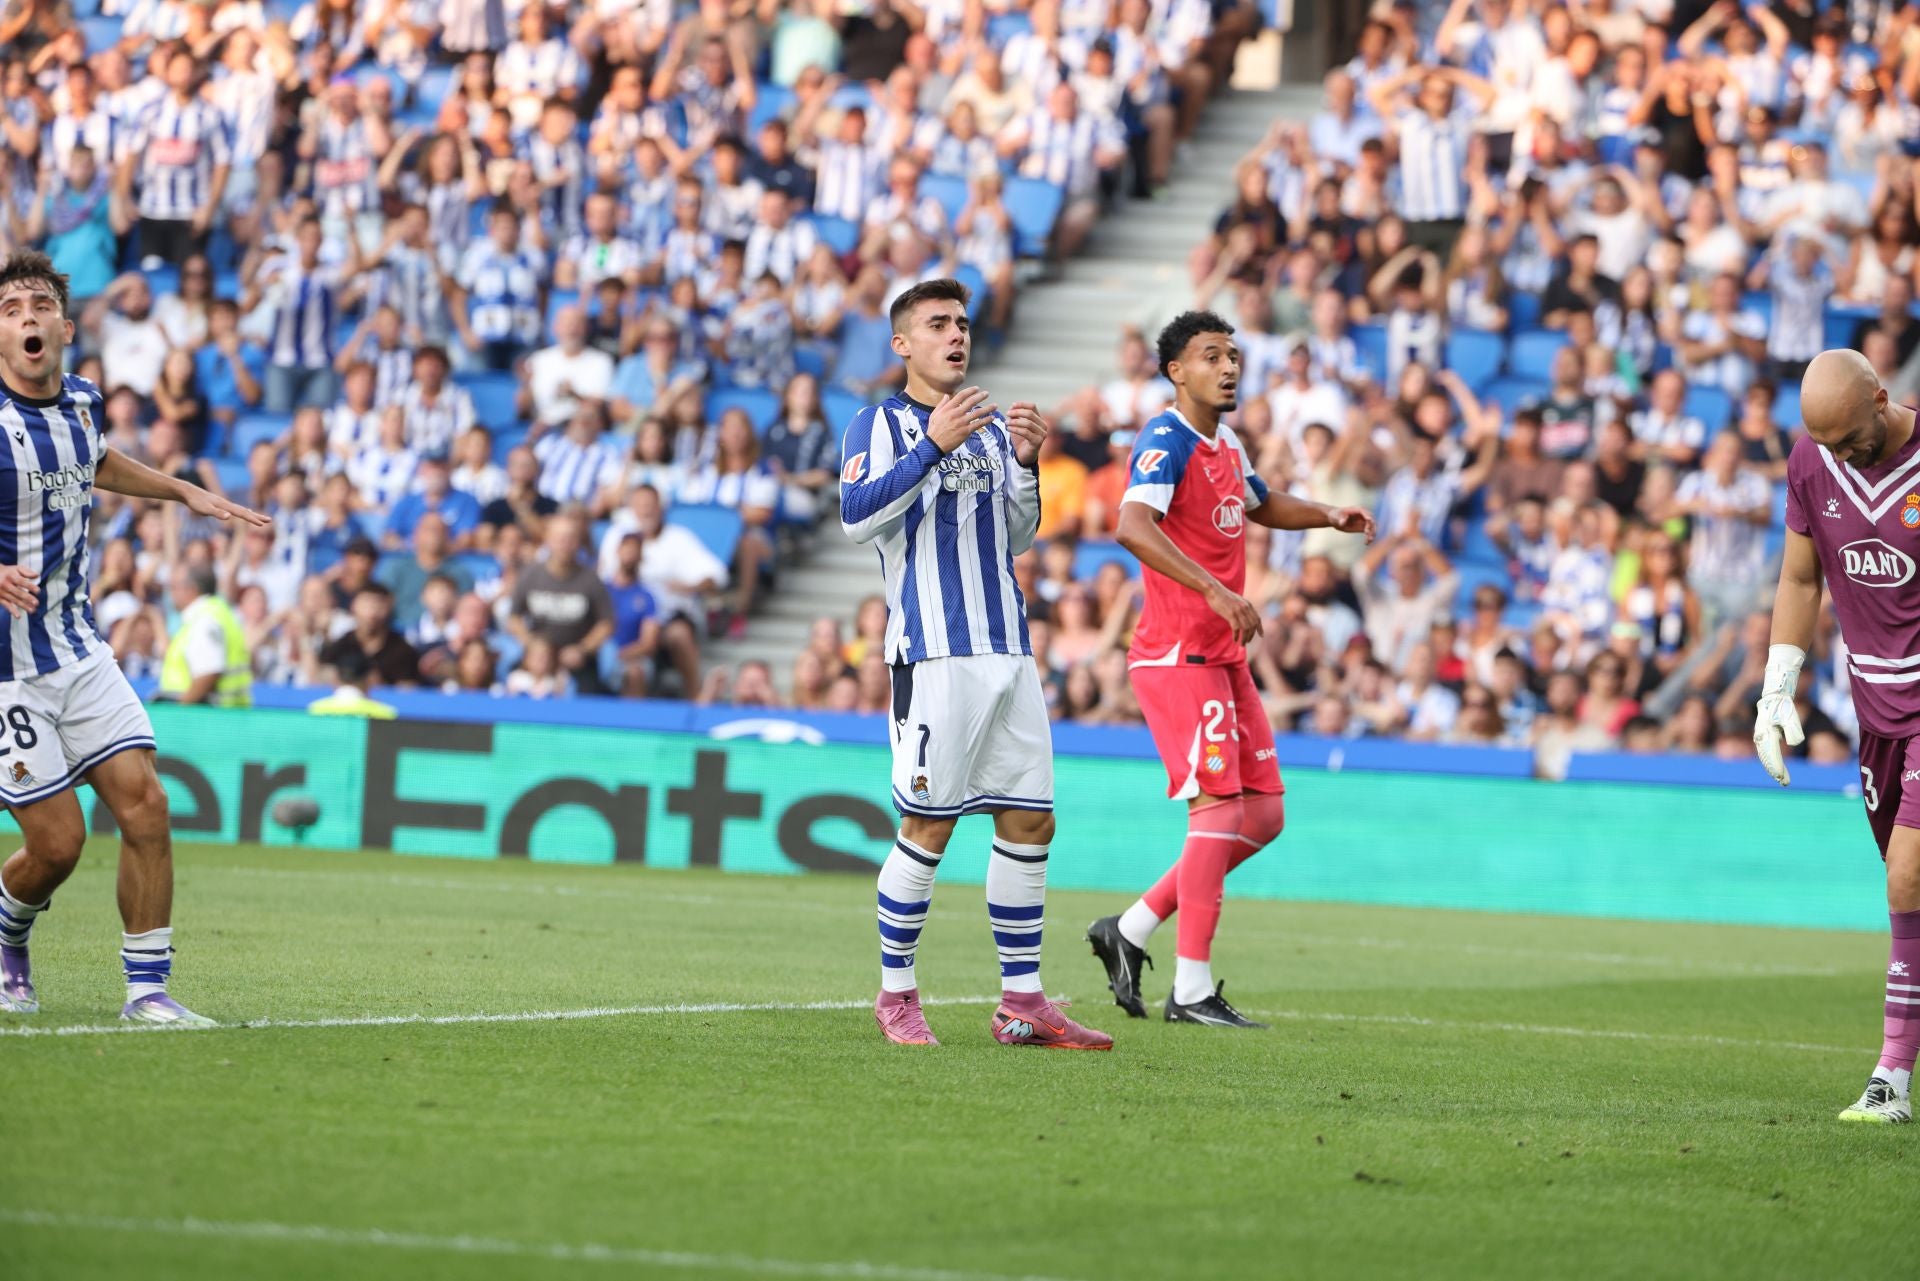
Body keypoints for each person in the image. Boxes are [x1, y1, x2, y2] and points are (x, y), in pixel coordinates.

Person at [0, 251, 269, 1028]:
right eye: (11, 309)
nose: (26, 317)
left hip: (77, 647)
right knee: (59, 844)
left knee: (147, 805)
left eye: (39, 305)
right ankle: (8, 935)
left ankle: (147, 991)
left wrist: (182, 491)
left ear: (65, 327)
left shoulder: (83, 403)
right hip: (7, 670)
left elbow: (96, 461)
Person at [839, 277, 1109, 1051]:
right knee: (928, 824)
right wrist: (932, 445)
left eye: (961, 322)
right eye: (938, 324)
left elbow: (1017, 534)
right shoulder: (878, 423)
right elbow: (857, 517)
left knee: (1029, 818)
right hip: (934, 652)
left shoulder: (989, 428)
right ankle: (896, 994)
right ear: (902, 344)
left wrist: (1025, 460)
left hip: (1008, 649)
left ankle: (1022, 1002)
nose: (957, 334)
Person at [1086, 310, 1373, 1027]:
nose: (1228, 367)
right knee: (1216, 809)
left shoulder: (1227, 442)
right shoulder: (1164, 440)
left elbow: (1261, 503)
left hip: (1223, 653)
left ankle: (1131, 927)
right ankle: (1190, 989)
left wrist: (1327, 515)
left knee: (1264, 814)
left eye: (1233, 355)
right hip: (1179, 654)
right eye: (1211, 355)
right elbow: (1131, 525)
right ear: (1176, 371)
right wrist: (1215, 590)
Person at [1760, 348, 1920, 1124]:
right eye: (1825, 443)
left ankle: (1892, 1076)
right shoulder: (1812, 463)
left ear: (1881, 399)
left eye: (1850, 438)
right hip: (1874, 711)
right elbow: (1800, 579)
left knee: (1906, 877)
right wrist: (1776, 688)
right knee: (1905, 877)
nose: (1840, 456)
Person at [156, 563, 252, 707]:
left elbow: (208, 673)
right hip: (222, 715)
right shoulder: (216, 612)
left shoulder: (204, 621)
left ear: (191, 590)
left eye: (174, 586)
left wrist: (179, 709)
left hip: (203, 716)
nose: (170, 594)